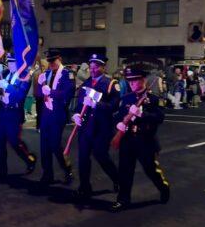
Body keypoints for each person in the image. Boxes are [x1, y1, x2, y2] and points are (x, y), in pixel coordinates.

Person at [111, 63, 170, 212]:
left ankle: (163, 188)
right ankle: (123, 200)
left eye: (135, 80)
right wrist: (119, 124)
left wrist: (141, 114)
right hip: (128, 140)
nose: (131, 83)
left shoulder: (154, 99)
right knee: (125, 171)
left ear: (143, 79)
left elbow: (160, 117)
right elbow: (117, 116)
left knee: (151, 170)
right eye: (129, 81)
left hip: (146, 141)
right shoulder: (126, 98)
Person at [71, 54, 120, 199]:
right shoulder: (86, 83)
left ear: (103, 67)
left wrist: (96, 105)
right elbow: (80, 104)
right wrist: (76, 115)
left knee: (101, 156)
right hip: (86, 127)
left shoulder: (111, 84)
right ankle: (84, 187)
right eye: (91, 66)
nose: (92, 69)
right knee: (83, 158)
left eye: (96, 66)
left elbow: (114, 106)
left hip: (101, 128)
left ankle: (117, 178)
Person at [0, 53, 37, 182]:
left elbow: (21, 95)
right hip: (3, 113)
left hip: (14, 114)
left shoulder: (24, 77)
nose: (10, 65)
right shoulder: (4, 74)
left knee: (15, 143)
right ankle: (0, 173)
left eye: (13, 63)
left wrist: (8, 87)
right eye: (9, 62)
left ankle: (29, 158)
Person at [37, 49, 75, 185]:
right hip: (46, 114)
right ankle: (47, 174)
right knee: (44, 146)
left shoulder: (67, 74)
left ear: (59, 59)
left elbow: (68, 94)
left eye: (53, 60)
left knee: (55, 145)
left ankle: (67, 169)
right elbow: (39, 95)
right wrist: (40, 84)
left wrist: (51, 92)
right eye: (49, 61)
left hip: (58, 114)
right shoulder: (46, 73)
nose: (51, 63)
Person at [32, 59, 48, 132]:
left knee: (39, 112)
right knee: (43, 112)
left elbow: (35, 85)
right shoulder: (44, 73)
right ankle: (41, 127)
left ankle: (38, 126)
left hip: (38, 95)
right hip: (43, 95)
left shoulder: (36, 73)